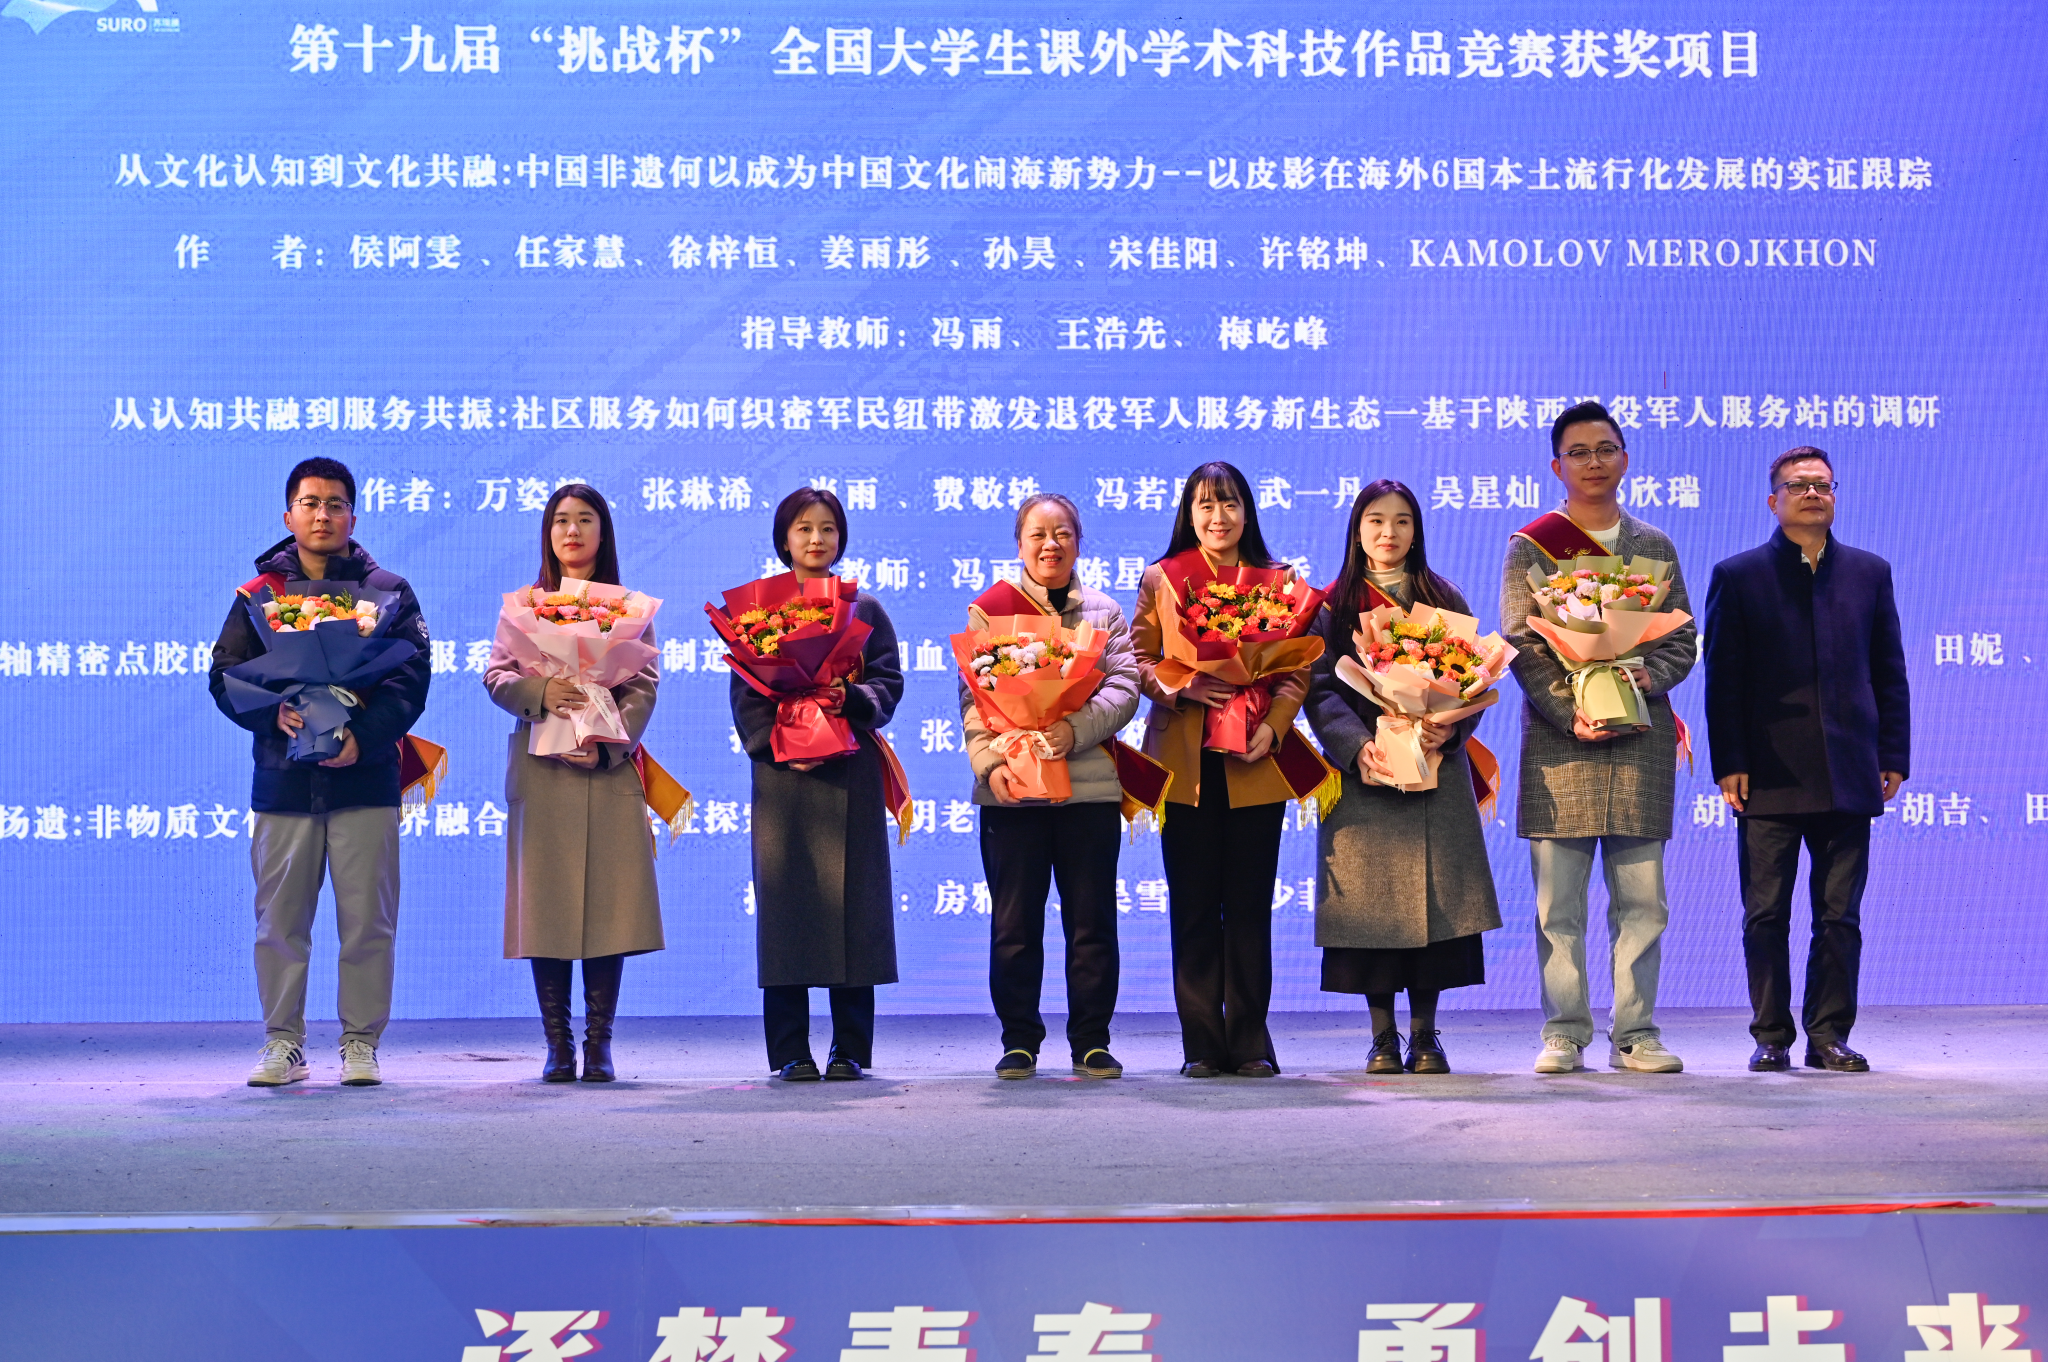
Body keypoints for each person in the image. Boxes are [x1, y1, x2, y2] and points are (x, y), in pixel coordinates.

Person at [207, 457, 431, 1088]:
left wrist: (363, 736)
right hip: (283, 781)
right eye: (310, 503)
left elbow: (411, 679)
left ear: (353, 517)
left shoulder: (388, 592)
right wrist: (271, 712)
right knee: (280, 923)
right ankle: (284, 1043)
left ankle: (361, 1043)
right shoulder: (258, 596)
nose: (323, 514)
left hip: (366, 780)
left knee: (368, 923)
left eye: (336, 504)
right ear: (289, 516)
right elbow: (224, 677)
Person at [1500, 402, 1697, 1075]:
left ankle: (1636, 1033)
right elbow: (1523, 644)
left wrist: (1642, 677)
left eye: (1605, 449)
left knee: (1643, 903)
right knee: (1558, 907)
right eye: (1578, 452)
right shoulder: (1531, 545)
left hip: (1640, 740)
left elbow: (1681, 639)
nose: (1593, 462)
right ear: (1557, 466)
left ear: (1625, 459)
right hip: (1560, 748)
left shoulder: (1653, 546)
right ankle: (1564, 1032)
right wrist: (1572, 709)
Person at [1704, 447, 1909, 1073]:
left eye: (1823, 484)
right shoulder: (1739, 576)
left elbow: (1889, 671)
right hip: (1768, 772)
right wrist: (1729, 760)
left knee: (1839, 916)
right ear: (1774, 501)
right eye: (1798, 485)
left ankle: (1828, 1036)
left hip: (1849, 767)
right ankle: (1771, 1036)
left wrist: (1893, 754)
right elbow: (1723, 679)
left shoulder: (1869, 572)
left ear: (1835, 496)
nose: (1813, 493)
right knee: (1765, 914)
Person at [1306, 481, 1502, 1075]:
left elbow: (1474, 678)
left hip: (1436, 774)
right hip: (1365, 777)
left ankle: (1425, 1035)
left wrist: (1448, 729)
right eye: (1375, 520)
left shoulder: (1442, 596)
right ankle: (1382, 1038)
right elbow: (1319, 688)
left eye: (1401, 521)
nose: (1388, 532)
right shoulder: (1330, 605)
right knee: (1373, 913)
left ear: (1416, 531)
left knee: (1434, 913)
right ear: (1356, 530)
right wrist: (1357, 746)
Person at [1132, 461, 1310, 1077]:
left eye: (1230, 503)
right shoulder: (1163, 578)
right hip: (1185, 764)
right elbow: (1139, 658)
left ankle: (1252, 1041)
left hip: (1254, 761)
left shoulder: (1278, 580)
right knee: (1194, 907)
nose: (1218, 516)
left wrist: (1274, 725)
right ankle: (1202, 1044)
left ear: (1247, 511)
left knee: (1250, 906)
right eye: (1205, 505)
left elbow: (1295, 668)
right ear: (1189, 514)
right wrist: (1182, 685)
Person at [484, 485, 662, 1084]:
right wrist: (541, 691)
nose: (572, 531)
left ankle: (599, 1043)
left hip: (606, 768)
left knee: (609, 907)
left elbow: (644, 686)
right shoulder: (523, 606)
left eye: (585, 519)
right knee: (548, 906)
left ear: (602, 532)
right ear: (548, 533)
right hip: (542, 768)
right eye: (561, 520)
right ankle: (558, 1044)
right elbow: (496, 675)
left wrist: (608, 743)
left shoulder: (630, 608)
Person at [961, 494, 1141, 1080]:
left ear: (1078, 542)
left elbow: (1124, 687)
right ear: (1020, 544)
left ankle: (1091, 1040)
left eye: (1062, 533)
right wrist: (990, 765)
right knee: (1014, 924)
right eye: (1037, 534)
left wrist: (1072, 730)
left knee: (1091, 923)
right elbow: (973, 699)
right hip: (1012, 790)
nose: (1050, 544)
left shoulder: (1104, 612)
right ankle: (1019, 1040)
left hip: (1088, 790)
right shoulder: (990, 612)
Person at [731, 487, 903, 1081]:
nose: (816, 538)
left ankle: (850, 1048)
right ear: (785, 539)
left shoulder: (864, 609)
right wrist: (782, 746)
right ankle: (790, 1051)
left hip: (849, 777)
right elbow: (746, 696)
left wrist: (847, 698)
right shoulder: (760, 612)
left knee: (855, 913)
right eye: (804, 528)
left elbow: (888, 684)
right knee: (787, 917)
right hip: (784, 785)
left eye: (827, 528)